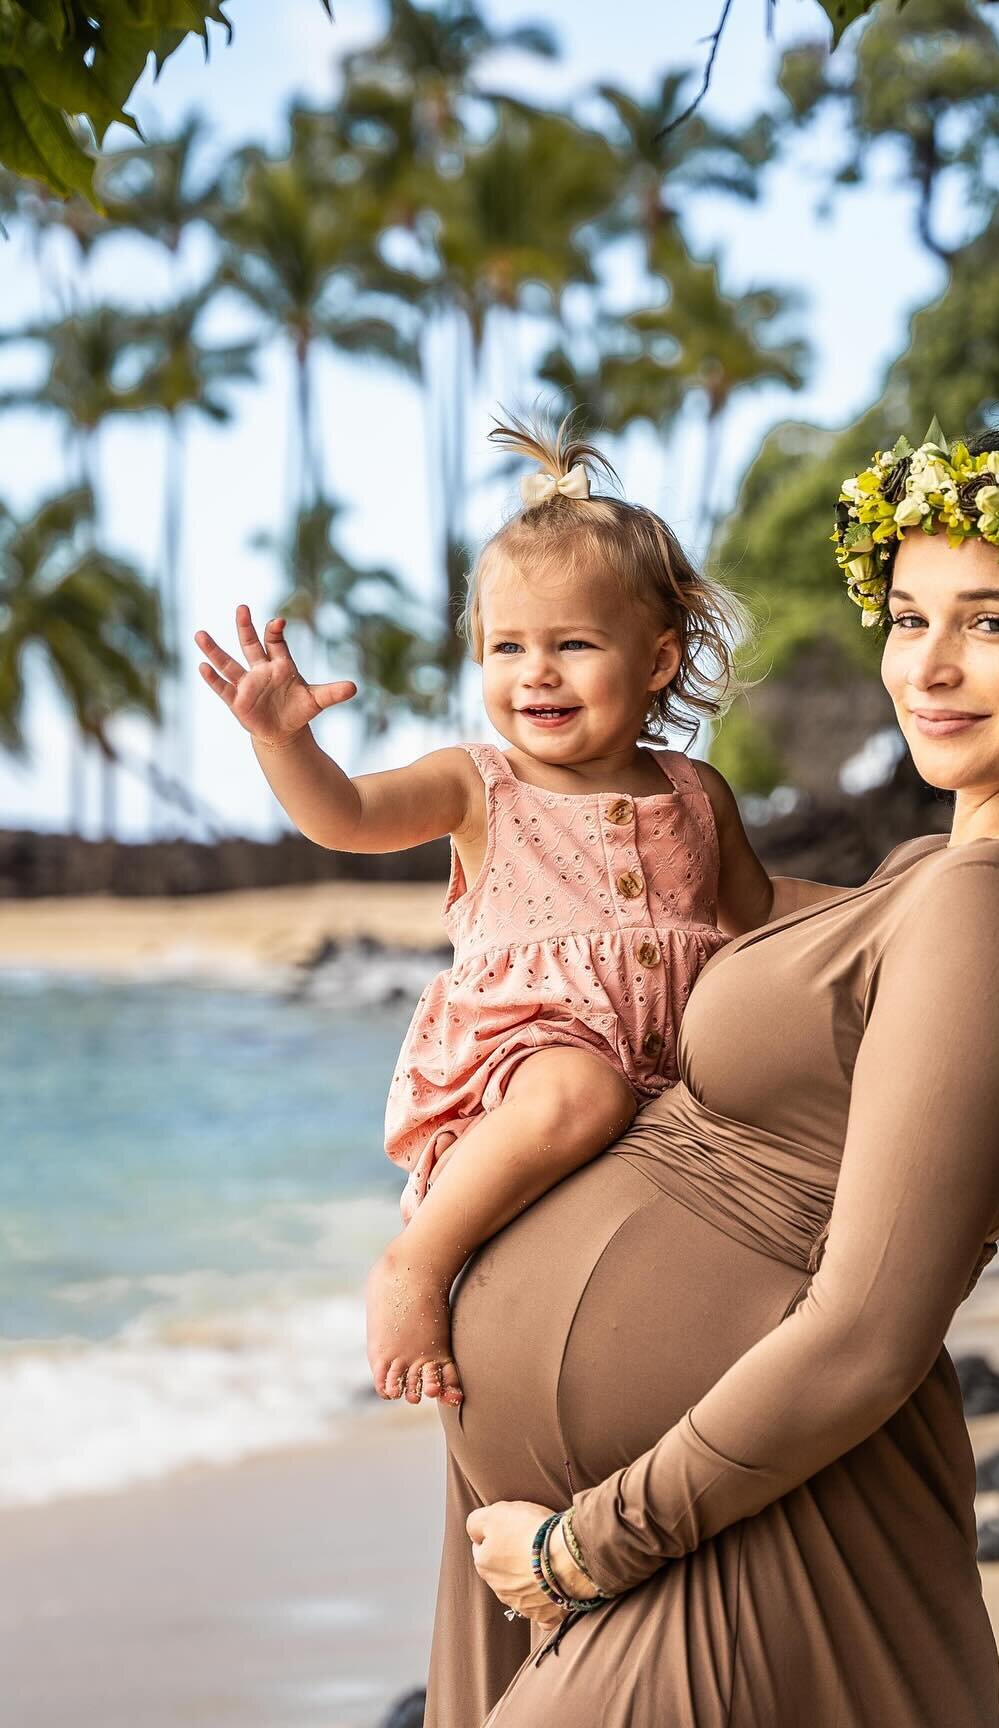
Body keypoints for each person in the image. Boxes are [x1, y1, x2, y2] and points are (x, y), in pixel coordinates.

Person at [428, 422, 999, 1728]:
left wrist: (584, 1548)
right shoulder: (946, 876)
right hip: (649, 1513)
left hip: (728, 1531)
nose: (925, 669)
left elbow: (870, 1329)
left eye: (989, 624)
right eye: (910, 615)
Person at [194, 413, 788, 1406]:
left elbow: (761, 930)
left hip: (668, 1070)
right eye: (506, 646)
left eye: (572, 643)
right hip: (527, 1064)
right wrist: (284, 744)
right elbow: (344, 816)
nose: (534, 672)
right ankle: (415, 1265)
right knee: (580, 1093)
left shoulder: (696, 792)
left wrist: (887, 908)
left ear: (657, 661)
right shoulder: (478, 784)